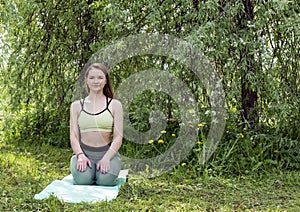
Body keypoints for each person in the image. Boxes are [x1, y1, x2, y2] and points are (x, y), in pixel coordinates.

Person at [69, 63, 123, 186]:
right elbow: (73, 136)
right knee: (83, 180)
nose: (96, 81)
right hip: (84, 152)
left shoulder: (115, 105)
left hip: (107, 153)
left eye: (100, 77)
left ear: (105, 81)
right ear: (86, 81)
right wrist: (80, 155)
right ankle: (89, 171)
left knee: (105, 181)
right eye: (92, 78)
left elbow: (118, 137)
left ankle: (103, 170)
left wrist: (107, 158)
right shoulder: (76, 106)